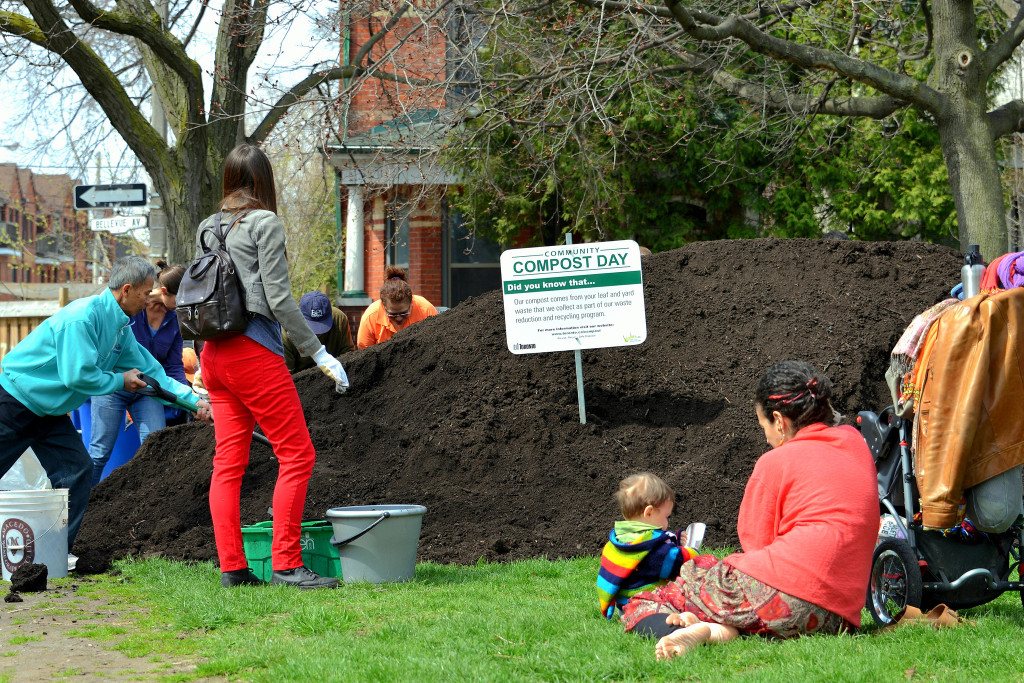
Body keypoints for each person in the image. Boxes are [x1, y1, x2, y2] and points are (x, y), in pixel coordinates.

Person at [620, 360, 877, 660]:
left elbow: (756, 544)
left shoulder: (775, 462)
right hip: (837, 617)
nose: (766, 437)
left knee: (649, 599)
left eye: (764, 426)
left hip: (783, 599)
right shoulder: (855, 442)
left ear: (779, 421)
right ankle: (718, 629)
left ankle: (689, 628)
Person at [197, 143, 349, 590]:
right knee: (297, 453)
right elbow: (280, 300)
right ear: (263, 180)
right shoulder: (265, 222)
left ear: (228, 179)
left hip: (213, 356)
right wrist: (319, 353)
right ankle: (286, 563)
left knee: (228, 464)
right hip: (250, 352)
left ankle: (233, 570)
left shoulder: (208, 225)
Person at [0, 256, 212, 557]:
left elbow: (154, 375)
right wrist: (120, 381)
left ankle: (56, 550)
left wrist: (196, 403)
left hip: (50, 413)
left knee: (76, 470)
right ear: (126, 290)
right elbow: (77, 377)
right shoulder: (82, 318)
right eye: (145, 291)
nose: (150, 297)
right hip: (16, 402)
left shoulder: (121, 330)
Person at [88, 261, 188, 485]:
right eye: (181, 297)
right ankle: (82, 505)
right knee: (100, 452)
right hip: (114, 385)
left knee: (156, 447)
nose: (184, 304)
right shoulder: (131, 310)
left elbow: (172, 367)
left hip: (148, 388)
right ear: (163, 292)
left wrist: (188, 396)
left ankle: (154, 504)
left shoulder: (175, 321)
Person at [597, 473, 700, 619]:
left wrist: (676, 540)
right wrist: (691, 552)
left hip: (625, 605)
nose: (667, 522)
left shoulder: (622, 538)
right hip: (647, 605)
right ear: (649, 512)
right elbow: (673, 562)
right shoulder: (648, 548)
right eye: (666, 516)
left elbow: (661, 550)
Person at [357, 266, 439, 349]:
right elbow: (364, 353)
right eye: (393, 314)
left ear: (411, 303)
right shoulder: (370, 317)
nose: (399, 318)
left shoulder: (426, 310)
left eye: (404, 313)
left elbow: (437, 341)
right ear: (383, 306)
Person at [283, 291, 354, 373]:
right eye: (312, 326)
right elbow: (287, 373)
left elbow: (348, 356)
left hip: (334, 374)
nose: (318, 333)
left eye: (323, 325)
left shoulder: (339, 319)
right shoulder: (287, 332)